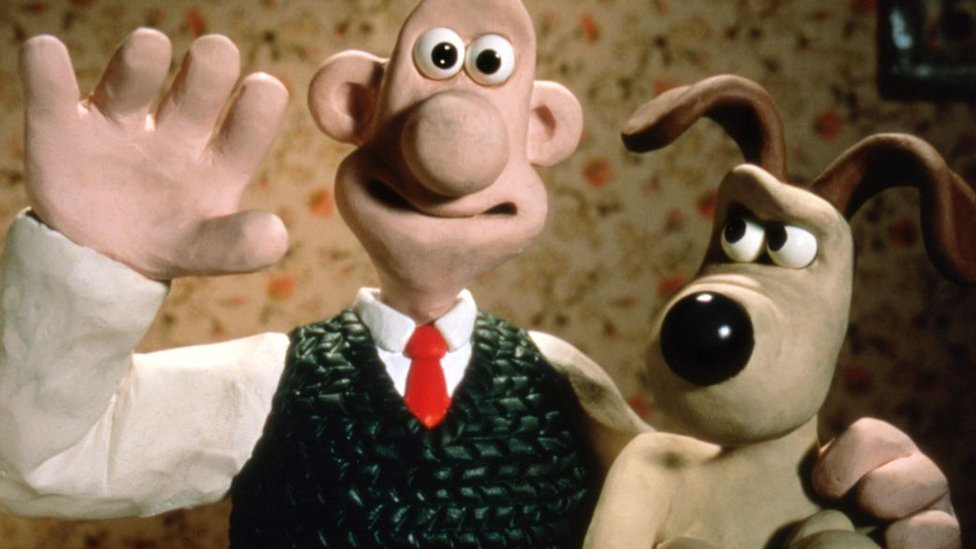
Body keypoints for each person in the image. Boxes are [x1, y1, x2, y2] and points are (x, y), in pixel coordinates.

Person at [0, 0, 959, 547]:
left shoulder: (563, 385)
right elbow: (39, 458)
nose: (449, 142)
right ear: (355, 106)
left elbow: (707, 512)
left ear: (542, 129)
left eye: (487, 74)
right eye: (435, 72)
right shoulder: (272, 382)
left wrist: (832, 504)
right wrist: (91, 268)